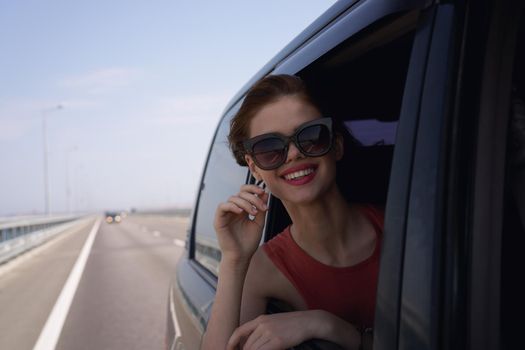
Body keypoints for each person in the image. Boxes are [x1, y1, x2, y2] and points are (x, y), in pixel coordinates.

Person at [201, 74, 383, 350]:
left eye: (311, 135)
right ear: (254, 167)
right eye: (270, 148)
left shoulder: (401, 228)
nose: (294, 154)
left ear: (336, 145)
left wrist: (326, 325)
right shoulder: (263, 268)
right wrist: (234, 259)